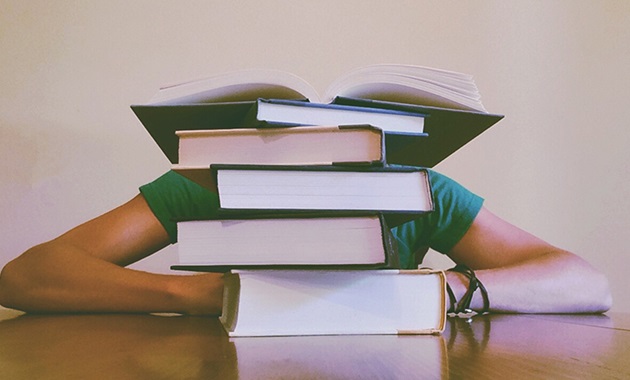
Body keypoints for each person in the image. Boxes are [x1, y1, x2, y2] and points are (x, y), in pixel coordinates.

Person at [0, 169, 612, 315]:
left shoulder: (416, 191)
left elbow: (586, 281)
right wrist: (206, 295)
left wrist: (448, 289)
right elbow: (25, 276)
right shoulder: (207, 183)